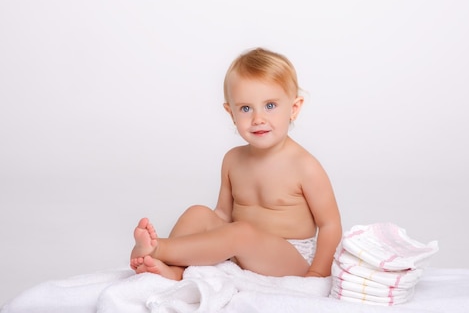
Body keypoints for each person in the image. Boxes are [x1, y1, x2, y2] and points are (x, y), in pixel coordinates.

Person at [130, 47, 342, 280]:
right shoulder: (233, 160)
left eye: (270, 105)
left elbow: (330, 224)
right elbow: (223, 215)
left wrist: (317, 272)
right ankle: (176, 270)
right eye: (245, 108)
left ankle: (160, 249)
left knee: (241, 233)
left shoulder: (304, 166)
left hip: (291, 257)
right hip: (240, 250)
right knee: (198, 213)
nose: (258, 118)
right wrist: (211, 231)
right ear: (231, 113)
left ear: (294, 108)